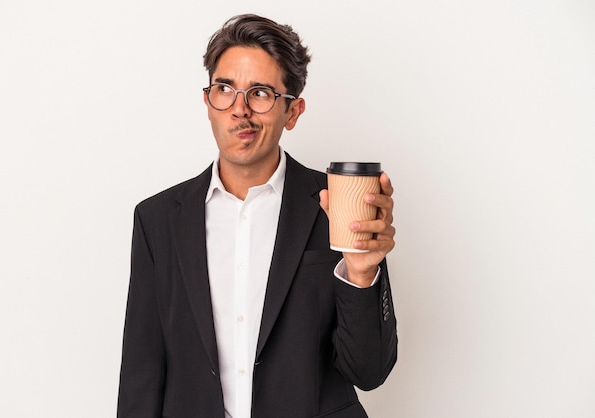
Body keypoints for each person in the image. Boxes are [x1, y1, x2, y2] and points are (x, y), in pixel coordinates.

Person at [117, 13, 397, 418]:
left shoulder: (337, 206)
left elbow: (368, 372)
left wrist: (361, 274)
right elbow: (142, 371)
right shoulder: (158, 219)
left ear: (293, 111)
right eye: (225, 89)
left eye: (261, 93)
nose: (240, 110)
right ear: (207, 102)